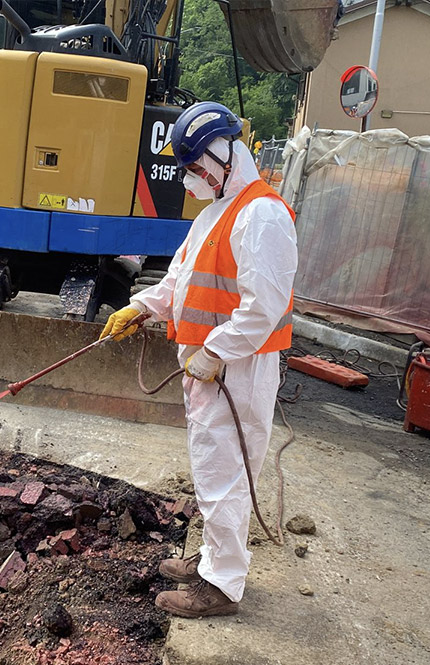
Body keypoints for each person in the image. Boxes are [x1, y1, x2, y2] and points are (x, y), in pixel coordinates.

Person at [100, 102, 298, 618]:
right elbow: (179, 282)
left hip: (238, 368)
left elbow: (263, 308)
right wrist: (140, 307)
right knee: (215, 470)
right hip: (211, 367)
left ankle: (221, 586)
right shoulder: (217, 213)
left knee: (225, 474)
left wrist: (214, 351)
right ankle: (214, 560)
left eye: (194, 168)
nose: (190, 179)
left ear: (223, 154)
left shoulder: (262, 215)